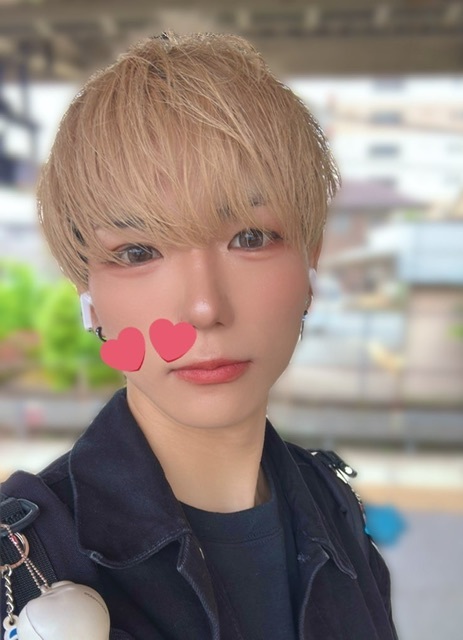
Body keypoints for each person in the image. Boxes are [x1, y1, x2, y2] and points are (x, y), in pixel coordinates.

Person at [1, 32, 398, 639]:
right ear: (88, 292)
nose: (204, 307)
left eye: (250, 238)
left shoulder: (336, 507)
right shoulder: (23, 565)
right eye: (137, 251)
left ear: (311, 261)